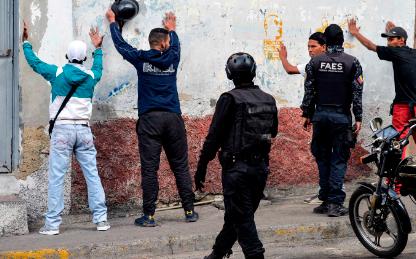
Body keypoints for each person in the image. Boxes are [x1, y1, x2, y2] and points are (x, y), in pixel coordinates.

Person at [106, 9, 198, 226]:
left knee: (150, 169)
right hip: (173, 119)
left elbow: (121, 46)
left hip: (150, 121)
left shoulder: (140, 59)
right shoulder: (172, 57)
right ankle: (189, 211)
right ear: (164, 43)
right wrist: (172, 30)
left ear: (151, 43)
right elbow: (176, 46)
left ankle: (149, 215)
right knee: (180, 167)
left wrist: (113, 23)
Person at [22, 21, 110, 235]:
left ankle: (52, 225)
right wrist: (98, 48)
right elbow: (98, 67)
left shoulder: (57, 73)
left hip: (62, 131)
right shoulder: (91, 77)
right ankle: (101, 220)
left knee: (57, 177)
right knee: (92, 175)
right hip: (84, 130)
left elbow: (35, 63)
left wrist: (26, 42)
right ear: (83, 58)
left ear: (67, 56)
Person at [195, 53, 278, 259]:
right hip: (260, 170)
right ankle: (217, 253)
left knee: (242, 220)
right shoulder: (269, 100)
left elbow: (214, 136)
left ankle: (255, 255)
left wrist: (202, 167)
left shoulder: (229, 99)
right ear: (253, 72)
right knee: (237, 216)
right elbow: (273, 132)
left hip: (237, 170)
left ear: (229, 74)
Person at [348, 18, 416, 158]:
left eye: (391, 39)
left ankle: (394, 180)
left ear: (402, 40)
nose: (388, 43)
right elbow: (401, 49)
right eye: (388, 40)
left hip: (402, 107)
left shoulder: (394, 53)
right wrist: (393, 31)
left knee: (397, 146)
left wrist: (355, 33)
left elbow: (370, 46)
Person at [301, 24, 363, 217]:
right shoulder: (352, 62)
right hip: (341, 118)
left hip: (321, 117)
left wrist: (307, 114)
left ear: (325, 42)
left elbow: (309, 92)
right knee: (338, 159)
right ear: (342, 41)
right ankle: (334, 203)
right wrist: (358, 117)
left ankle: (326, 199)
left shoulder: (314, 63)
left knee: (322, 157)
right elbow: (357, 93)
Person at [278, 32, 327, 204]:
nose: (310, 50)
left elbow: (290, 70)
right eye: (308, 47)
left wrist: (283, 57)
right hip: (335, 117)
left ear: (324, 46)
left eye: (313, 46)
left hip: (322, 117)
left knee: (322, 153)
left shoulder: (313, 65)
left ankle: (326, 193)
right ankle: (329, 192)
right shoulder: (341, 63)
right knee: (330, 155)